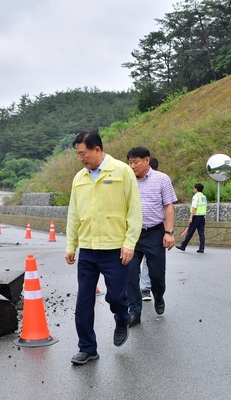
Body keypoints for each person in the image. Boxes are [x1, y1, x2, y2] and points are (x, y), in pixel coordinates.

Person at [65, 130, 142, 365]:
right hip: (88, 249)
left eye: (83, 153)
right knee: (84, 301)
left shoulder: (122, 171)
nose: (80, 158)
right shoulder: (79, 178)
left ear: (97, 149)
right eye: (77, 154)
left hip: (115, 250)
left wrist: (129, 244)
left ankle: (122, 317)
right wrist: (71, 245)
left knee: (117, 297)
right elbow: (74, 214)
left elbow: (134, 210)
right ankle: (87, 348)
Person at [126, 147, 177, 327]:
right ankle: (134, 311)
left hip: (154, 233)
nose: (132, 166)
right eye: (130, 162)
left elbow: (168, 206)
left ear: (147, 160)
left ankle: (158, 295)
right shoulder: (126, 180)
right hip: (131, 234)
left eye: (136, 162)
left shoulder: (162, 179)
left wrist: (168, 233)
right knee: (130, 274)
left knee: (156, 275)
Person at [140, 156, 159, 302]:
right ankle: (140, 290)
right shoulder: (130, 181)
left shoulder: (160, 180)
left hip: (153, 230)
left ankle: (145, 289)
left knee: (148, 262)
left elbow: (168, 206)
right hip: (134, 231)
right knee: (132, 264)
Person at [176, 183, 207, 253]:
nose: (194, 189)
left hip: (196, 217)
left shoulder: (196, 197)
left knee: (190, 232)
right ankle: (202, 248)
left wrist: (191, 217)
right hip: (202, 217)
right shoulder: (203, 197)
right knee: (201, 233)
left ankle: (183, 246)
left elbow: (194, 207)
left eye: (194, 188)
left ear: (196, 189)